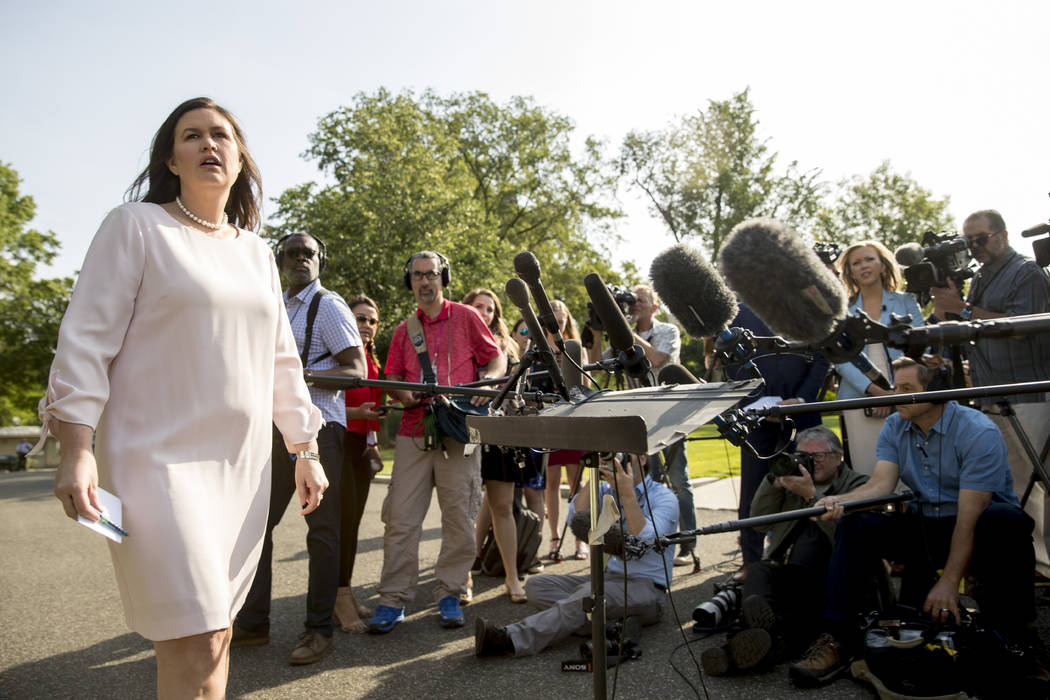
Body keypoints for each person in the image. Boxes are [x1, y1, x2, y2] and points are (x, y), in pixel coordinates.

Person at [35, 97, 327, 698]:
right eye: (191, 136)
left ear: (240, 157)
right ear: (171, 157)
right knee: (193, 636)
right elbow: (85, 341)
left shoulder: (256, 252)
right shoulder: (135, 226)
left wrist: (304, 447)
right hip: (153, 462)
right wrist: (76, 449)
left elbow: (280, 357)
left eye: (220, 135)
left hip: (239, 465)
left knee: (216, 637)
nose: (208, 144)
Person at [789, 357, 1035, 687]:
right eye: (894, 387)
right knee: (857, 526)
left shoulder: (977, 432)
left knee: (1007, 522)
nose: (894, 395)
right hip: (926, 524)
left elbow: (969, 517)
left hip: (980, 528)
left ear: (934, 394)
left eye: (906, 389)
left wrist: (949, 583)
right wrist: (836, 501)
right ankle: (838, 638)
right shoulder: (895, 425)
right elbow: (879, 485)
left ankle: (1018, 641)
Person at [232, 232, 365, 664]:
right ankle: (252, 624)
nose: (301, 259)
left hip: (321, 429)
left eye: (309, 254)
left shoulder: (327, 305)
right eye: (293, 253)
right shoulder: (275, 305)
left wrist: (300, 377)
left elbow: (356, 370)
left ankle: (318, 630)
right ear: (281, 260)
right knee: (256, 526)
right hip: (276, 430)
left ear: (320, 260)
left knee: (322, 532)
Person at [368, 251, 506, 633]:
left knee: (460, 517)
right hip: (414, 431)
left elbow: (496, 360)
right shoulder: (403, 329)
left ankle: (451, 591)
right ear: (410, 281)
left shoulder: (466, 316)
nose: (425, 281)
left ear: (443, 277)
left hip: (459, 431)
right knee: (400, 520)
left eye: (431, 274)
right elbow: (393, 374)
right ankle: (392, 599)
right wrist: (402, 396)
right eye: (417, 276)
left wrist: (487, 386)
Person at [931, 209, 1050, 576]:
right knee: (1013, 485)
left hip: (1026, 393)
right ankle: (1028, 562)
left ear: (1002, 235)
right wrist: (947, 312)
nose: (975, 247)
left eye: (981, 238)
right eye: (969, 241)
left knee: (1038, 482)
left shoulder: (1025, 272)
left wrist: (963, 308)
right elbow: (969, 329)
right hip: (989, 395)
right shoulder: (979, 276)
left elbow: (1019, 328)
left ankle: (1043, 565)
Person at [701, 426, 868, 675]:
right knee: (758, 570)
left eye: (818, 456)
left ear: (838, 456)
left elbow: (854, 541)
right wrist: (773, 482)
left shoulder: (858, 485)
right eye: (802, 455)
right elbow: (758, 522)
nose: (809, 463)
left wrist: (812, 496)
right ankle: (762, 641)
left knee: (799, 611)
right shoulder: (790, 481)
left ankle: (734, 650)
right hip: (784, 574)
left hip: (828, 579)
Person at [475, 455, 678, 657]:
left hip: (648, 589)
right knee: (536, 586)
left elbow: (643, 538)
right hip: (609, 579)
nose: (615, 461)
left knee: (586, 598)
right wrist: (595, 473)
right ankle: (612, 626)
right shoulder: (606, 490)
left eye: (622, 455)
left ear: (642, 460)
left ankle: (511, 639)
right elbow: (575, 518)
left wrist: (627, 494)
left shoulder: (664, 497)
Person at [722, 304, 829, 582]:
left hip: (802, 414)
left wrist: (801, 400)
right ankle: (751, 563)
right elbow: (730, 358)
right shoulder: (737, 310)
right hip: (757, 416)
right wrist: (757, 401)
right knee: (753, 490)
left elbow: (821, 357)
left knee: (808, 484)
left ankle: (804, 558)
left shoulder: (806, 303)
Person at [463, 288, 535, 603]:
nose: (483, 312)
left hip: (500, 434)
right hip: (463, 432)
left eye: (490, 309)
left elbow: (518, 392)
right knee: (464, 508)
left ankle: (511, 577)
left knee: (503, 507)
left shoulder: (506, 348)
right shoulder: (457, 343)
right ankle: (462, 577)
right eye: (477, 306)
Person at [835, 240, 925, 476]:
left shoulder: (906, 301)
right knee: (868, 471)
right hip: (859, 398)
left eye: (869, 259)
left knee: (910, 472)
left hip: (906, 395)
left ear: (883, 266)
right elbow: (840, 359)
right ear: (850, 272)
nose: (864, 266)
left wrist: (896, 393)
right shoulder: (841, 311)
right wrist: (876, 393)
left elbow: (922, 346)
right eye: (857, 263)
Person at [626, 285, 695, 567]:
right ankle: (656, 539)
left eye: (641, 300)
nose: (635, 304)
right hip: (640, 417)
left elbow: (657, 359)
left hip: (671, 413)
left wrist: (624, 331)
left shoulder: (668, 331)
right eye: (633, 300)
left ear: (654, 306)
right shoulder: (621, 336)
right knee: (652, 482)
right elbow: (597, 361)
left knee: (678, 479)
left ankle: (687, 543)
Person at [333, 295, 388, 633]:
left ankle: (346, 593)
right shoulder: (338, 355)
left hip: (362, 448)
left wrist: (374, 443)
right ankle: (338, 600)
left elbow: (374, 402)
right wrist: (357, 415)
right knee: (339, 527)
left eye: (371, 320)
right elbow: (323, 401)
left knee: (352, 526)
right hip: (338, 444)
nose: (366, 325)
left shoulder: (371, 358)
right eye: (359, 318)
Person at [541, 299, 589, 560]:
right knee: (551, 482)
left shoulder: (575, 348)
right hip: (548, 421)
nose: (557, 325)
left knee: (575, 481)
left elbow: (580, 387)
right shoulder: (537, 347)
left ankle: (579, 540)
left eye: (561, 321)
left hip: (571, 419)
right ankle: (554, 538)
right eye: (553, 322)